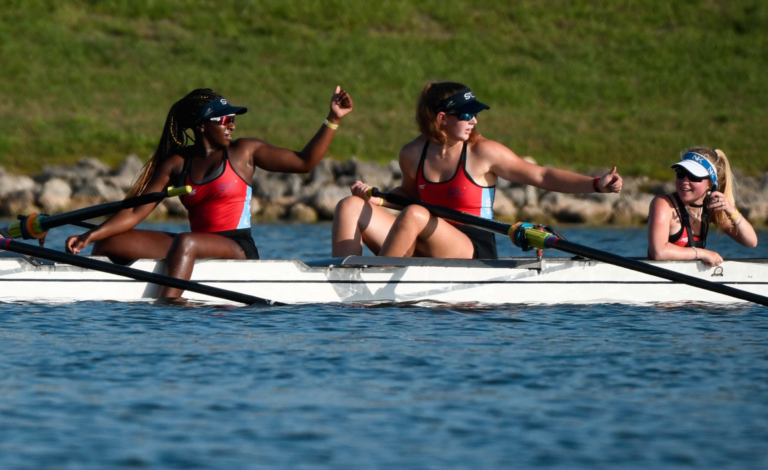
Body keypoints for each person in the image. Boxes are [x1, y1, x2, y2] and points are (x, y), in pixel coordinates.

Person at [66, 86, 353, 298]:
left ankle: (169, 310)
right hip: (192, 244)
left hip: (236, 246)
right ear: (202, 126)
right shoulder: (177, 164)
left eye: (233, 119)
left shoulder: (244, 152)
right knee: (110, 243)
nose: (233, 125)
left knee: (186, 242)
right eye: (225, 120)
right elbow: (134, 212)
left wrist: (333, 119)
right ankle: (110, 292)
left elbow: (305, 162)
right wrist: (91, 235)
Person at [332, 81, 622, 259]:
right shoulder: (411, 153)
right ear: (442, 118)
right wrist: (375, 199)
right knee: (349, 206)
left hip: (471, 246)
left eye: (476, 114)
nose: (474, 122)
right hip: (420, 234)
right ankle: (342, 277)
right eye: (467, 115)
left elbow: (541, 176)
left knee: (416, 214)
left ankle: (378, 283)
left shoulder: (483, 152)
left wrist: (596, 184)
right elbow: (408, 195)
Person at [647, 147, 757, 266]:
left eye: (694, 176)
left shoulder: (710, 208)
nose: (684, 181)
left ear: (710, 183)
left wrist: (731, 210)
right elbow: (659, 252)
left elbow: (751, 242)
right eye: (681, 173)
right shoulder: (663, 204)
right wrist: (703, 254)